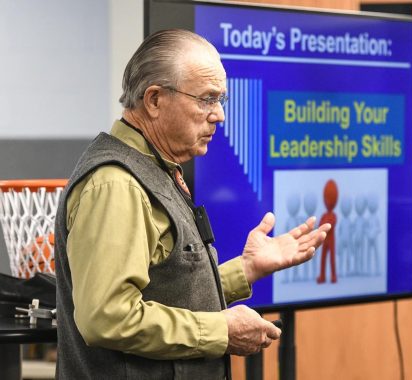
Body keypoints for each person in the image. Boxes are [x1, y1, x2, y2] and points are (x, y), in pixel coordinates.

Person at [54, 29, 330, 379]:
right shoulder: (116, 185)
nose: (219, 115)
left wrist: (245, 269)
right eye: (206, 99)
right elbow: (107, 318)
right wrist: (222, 331)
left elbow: (165, 288)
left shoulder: (154, 168)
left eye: (221, 101)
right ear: (154, 100)